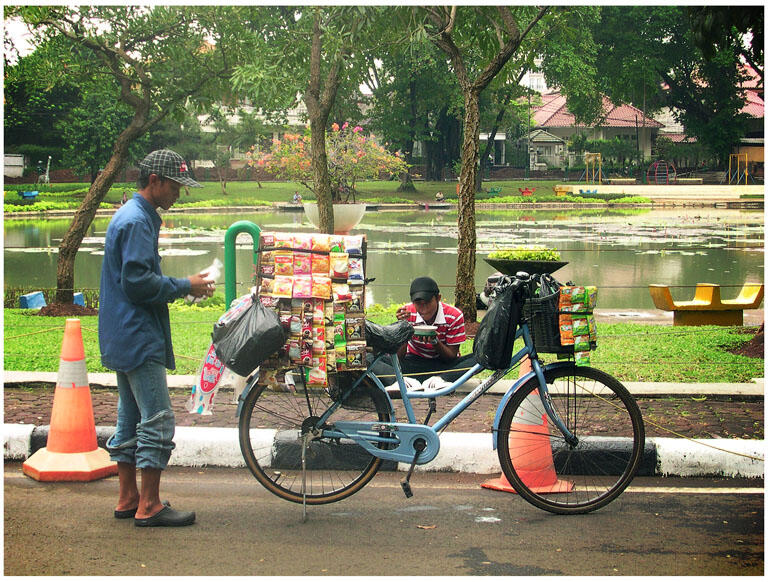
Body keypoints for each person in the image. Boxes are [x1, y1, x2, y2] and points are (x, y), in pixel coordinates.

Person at [99, 149, 214, 527]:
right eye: (176, 185)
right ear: (155, 181)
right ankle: (149, 505)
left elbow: (136, 279)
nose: (179, 193)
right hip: (137, 334)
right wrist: (186, 285)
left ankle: (128, 497)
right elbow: (138, 284)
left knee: (130, 417)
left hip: (122, 332)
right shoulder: (136, 222)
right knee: (158, 419)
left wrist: (185, 286)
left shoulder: (136, 216)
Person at [370, 276, 476, 385]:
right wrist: (403, 329)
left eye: (428, 302)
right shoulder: (407, 313)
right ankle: (401, 381)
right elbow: (399, 358)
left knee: (478, 358)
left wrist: (435, 342)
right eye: (418, 303)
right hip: (414, 361)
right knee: (366, 357)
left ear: (438, 298)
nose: (423, 308)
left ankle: (441, 379)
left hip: (444, 365)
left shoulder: (454, 315)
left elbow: (451, 357)